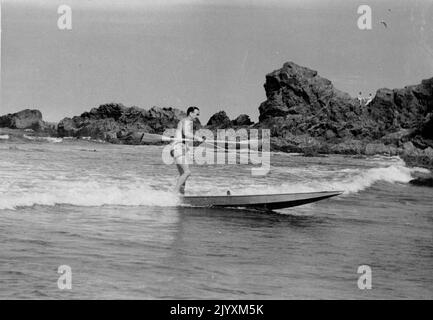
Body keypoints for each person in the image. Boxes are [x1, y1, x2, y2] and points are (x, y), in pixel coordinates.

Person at [171, 106, 203, 195]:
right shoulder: (187, 121)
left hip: (179, 149)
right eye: (197, 114)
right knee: (187, 172)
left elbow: (186, 137)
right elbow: (186, 133)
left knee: (183, 174)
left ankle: (181, 195)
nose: (197, 116)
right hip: (178, 148)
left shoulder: (186, 122)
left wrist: (199, 140)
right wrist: (197, 137)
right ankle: (174, 193)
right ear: (191, 113)